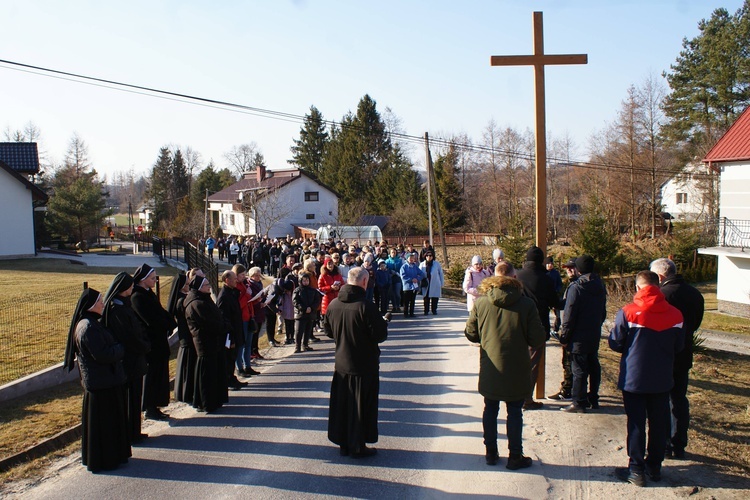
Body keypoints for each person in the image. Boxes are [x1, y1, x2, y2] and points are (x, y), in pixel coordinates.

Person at [609, 271, 685, 487]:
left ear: (638, 287)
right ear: (658, 286)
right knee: (659, 423)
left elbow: (616, 343)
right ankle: (655, 467)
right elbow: (679, 346)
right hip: (662, 377)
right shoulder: (676, 315)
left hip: (634, 378)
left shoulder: (628, 312)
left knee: (636, 423)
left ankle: (636, 469)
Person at [464, 273, 546, 469]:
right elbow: (537, 339)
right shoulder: (526, 305)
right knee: (515, 411)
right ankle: (515, 456)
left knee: (490, 410)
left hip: (491, 366)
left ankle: (491, 452)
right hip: (517, 368)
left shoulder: (482, 304)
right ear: (515, 281)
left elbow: (471, 334)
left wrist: (486, 338)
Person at [63, 288, 131, 472]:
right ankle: (105, 460)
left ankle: (113, 456)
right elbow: (102, 354)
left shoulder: (92, 323)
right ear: (92, 306)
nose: (103, 304)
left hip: (105, 381)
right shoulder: (88, 327)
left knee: (109, 424)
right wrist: (120, 349)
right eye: (100, 302)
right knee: (104, 427)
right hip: (101, 382)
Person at [324, 267, 389, 458]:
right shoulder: (366, 306)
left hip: (342, 363)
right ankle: (358, 445)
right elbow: (380, 335)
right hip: (363, 364)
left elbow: (328, 331)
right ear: (364, 282)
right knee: (361, 407)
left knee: (343, 405)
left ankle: (344, 442)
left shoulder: (334, 304)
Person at [649, 258, 705, 459]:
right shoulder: (695, 294)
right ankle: (679, 443)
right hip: (684, 353)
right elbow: (695, 324)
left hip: (663, 354)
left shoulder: (662, 296)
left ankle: (664, 443)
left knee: (661, 400)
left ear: (660, 276)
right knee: (679, 399)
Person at [102, 272, 151, 444]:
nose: (132, 288)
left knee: (135, 396)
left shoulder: (124, 305)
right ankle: (130, 433)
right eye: (130, 286)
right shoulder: (117, 310)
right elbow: (128, 336)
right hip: (129, 360)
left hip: (136, 358)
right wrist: (144, 346)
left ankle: (135, 430)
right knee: (130, 398)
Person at [559, 255, 607, 413]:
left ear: (578, 269)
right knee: (593, 365)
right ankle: (593, 397)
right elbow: (603, 312)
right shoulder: (599, 284)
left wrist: (564, 337)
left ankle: (578, 402)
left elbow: (569, 314)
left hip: (578, 336)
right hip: (593, 333)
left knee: (579, 369)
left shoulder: (576, 287)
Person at [130, 263, 176, 421]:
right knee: (151, 376)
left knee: (159, 375)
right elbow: (151, 319)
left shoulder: (148, 293)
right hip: (151, 342)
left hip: (159, 341)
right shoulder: (137, 296)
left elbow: (161, 311)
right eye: (152, 278)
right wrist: (166, 324)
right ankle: (149, 407)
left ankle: (156, 405)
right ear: (143, 279)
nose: (155, 280)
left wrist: (170, 322)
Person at [515, 246, 558, 410]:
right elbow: (555, 302)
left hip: (519, 325)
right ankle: (526, 398)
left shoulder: (517, 276)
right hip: (538, 325)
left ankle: (515, 395)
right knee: (532, 363)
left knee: (519, 361)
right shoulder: (546, 279)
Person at [184, 276, 228, 413]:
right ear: (199, 287)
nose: (209, 287)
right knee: (206, 376)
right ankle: (206, 402)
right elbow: (209, 323)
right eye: (206, 285)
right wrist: (224, 326)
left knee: (214, 372)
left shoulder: (204, 299)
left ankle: (215, 399)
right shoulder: (196, 303)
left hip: (213, 342)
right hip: (205, 343)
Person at [547, 258, 578, 401]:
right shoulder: (573, 285)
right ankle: (582, 393)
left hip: (574, 333)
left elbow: (570, 311)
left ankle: (568, 391)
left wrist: (564, 335)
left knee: (570, 363)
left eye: (572, 268)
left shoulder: (577, 286)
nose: (569, 270)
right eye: (567, 268)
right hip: (577, 332)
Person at [216, 270, 247, 390]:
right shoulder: (224, 296)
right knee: (229, 357)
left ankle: (231, 377)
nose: (237, 280)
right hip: (230, 334)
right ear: (227, 280)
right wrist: (230, 336)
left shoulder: (232, 293)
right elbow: (224, 318)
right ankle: (228, 379)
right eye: (234, 278)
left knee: (232, 357)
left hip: (236, 329)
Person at [168, 272, 194, 404]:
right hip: (185, 334)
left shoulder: (186, 296)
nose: (189, 286)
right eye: (187, 284)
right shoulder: (180, 299)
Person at [293, 272, 321, 352]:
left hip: (310, 314)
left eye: (307, 280)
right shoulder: (297, 290)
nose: (306, 282)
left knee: (308, 330)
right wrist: (304, 308)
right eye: (304, 280)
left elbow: (317, 300)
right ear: (300, 281)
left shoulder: (313, 290)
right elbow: (295, 302)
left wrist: (311, 308)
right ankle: (297, 346)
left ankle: (305, 345)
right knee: (299, 331)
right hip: (300, 314)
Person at [400, 252, 425, 318]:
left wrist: (417, 279)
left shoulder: (415, 266)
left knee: (412, 300)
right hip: (407, 287)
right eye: (410, 258)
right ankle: (405, 313)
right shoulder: (404, 267)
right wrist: (411, 279)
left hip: (414, 286)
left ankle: (411, 313)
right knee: (406, 301)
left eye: (413, 258)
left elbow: (422, 274)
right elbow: (403, 277)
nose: (411, 259)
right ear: (407, 259)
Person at [419, 251, 444, 315]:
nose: (429, 257)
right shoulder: (422, 264)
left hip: (435, 283)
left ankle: (434, 310)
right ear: (425, 256)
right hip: (426, 283)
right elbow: (419, 274)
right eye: (427, 256)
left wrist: (442, 283)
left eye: (430, 256)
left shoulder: (436, 264)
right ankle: (426, 310)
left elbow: (441, 273)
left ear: (433, 257)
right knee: (426, 298)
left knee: (435, 298)